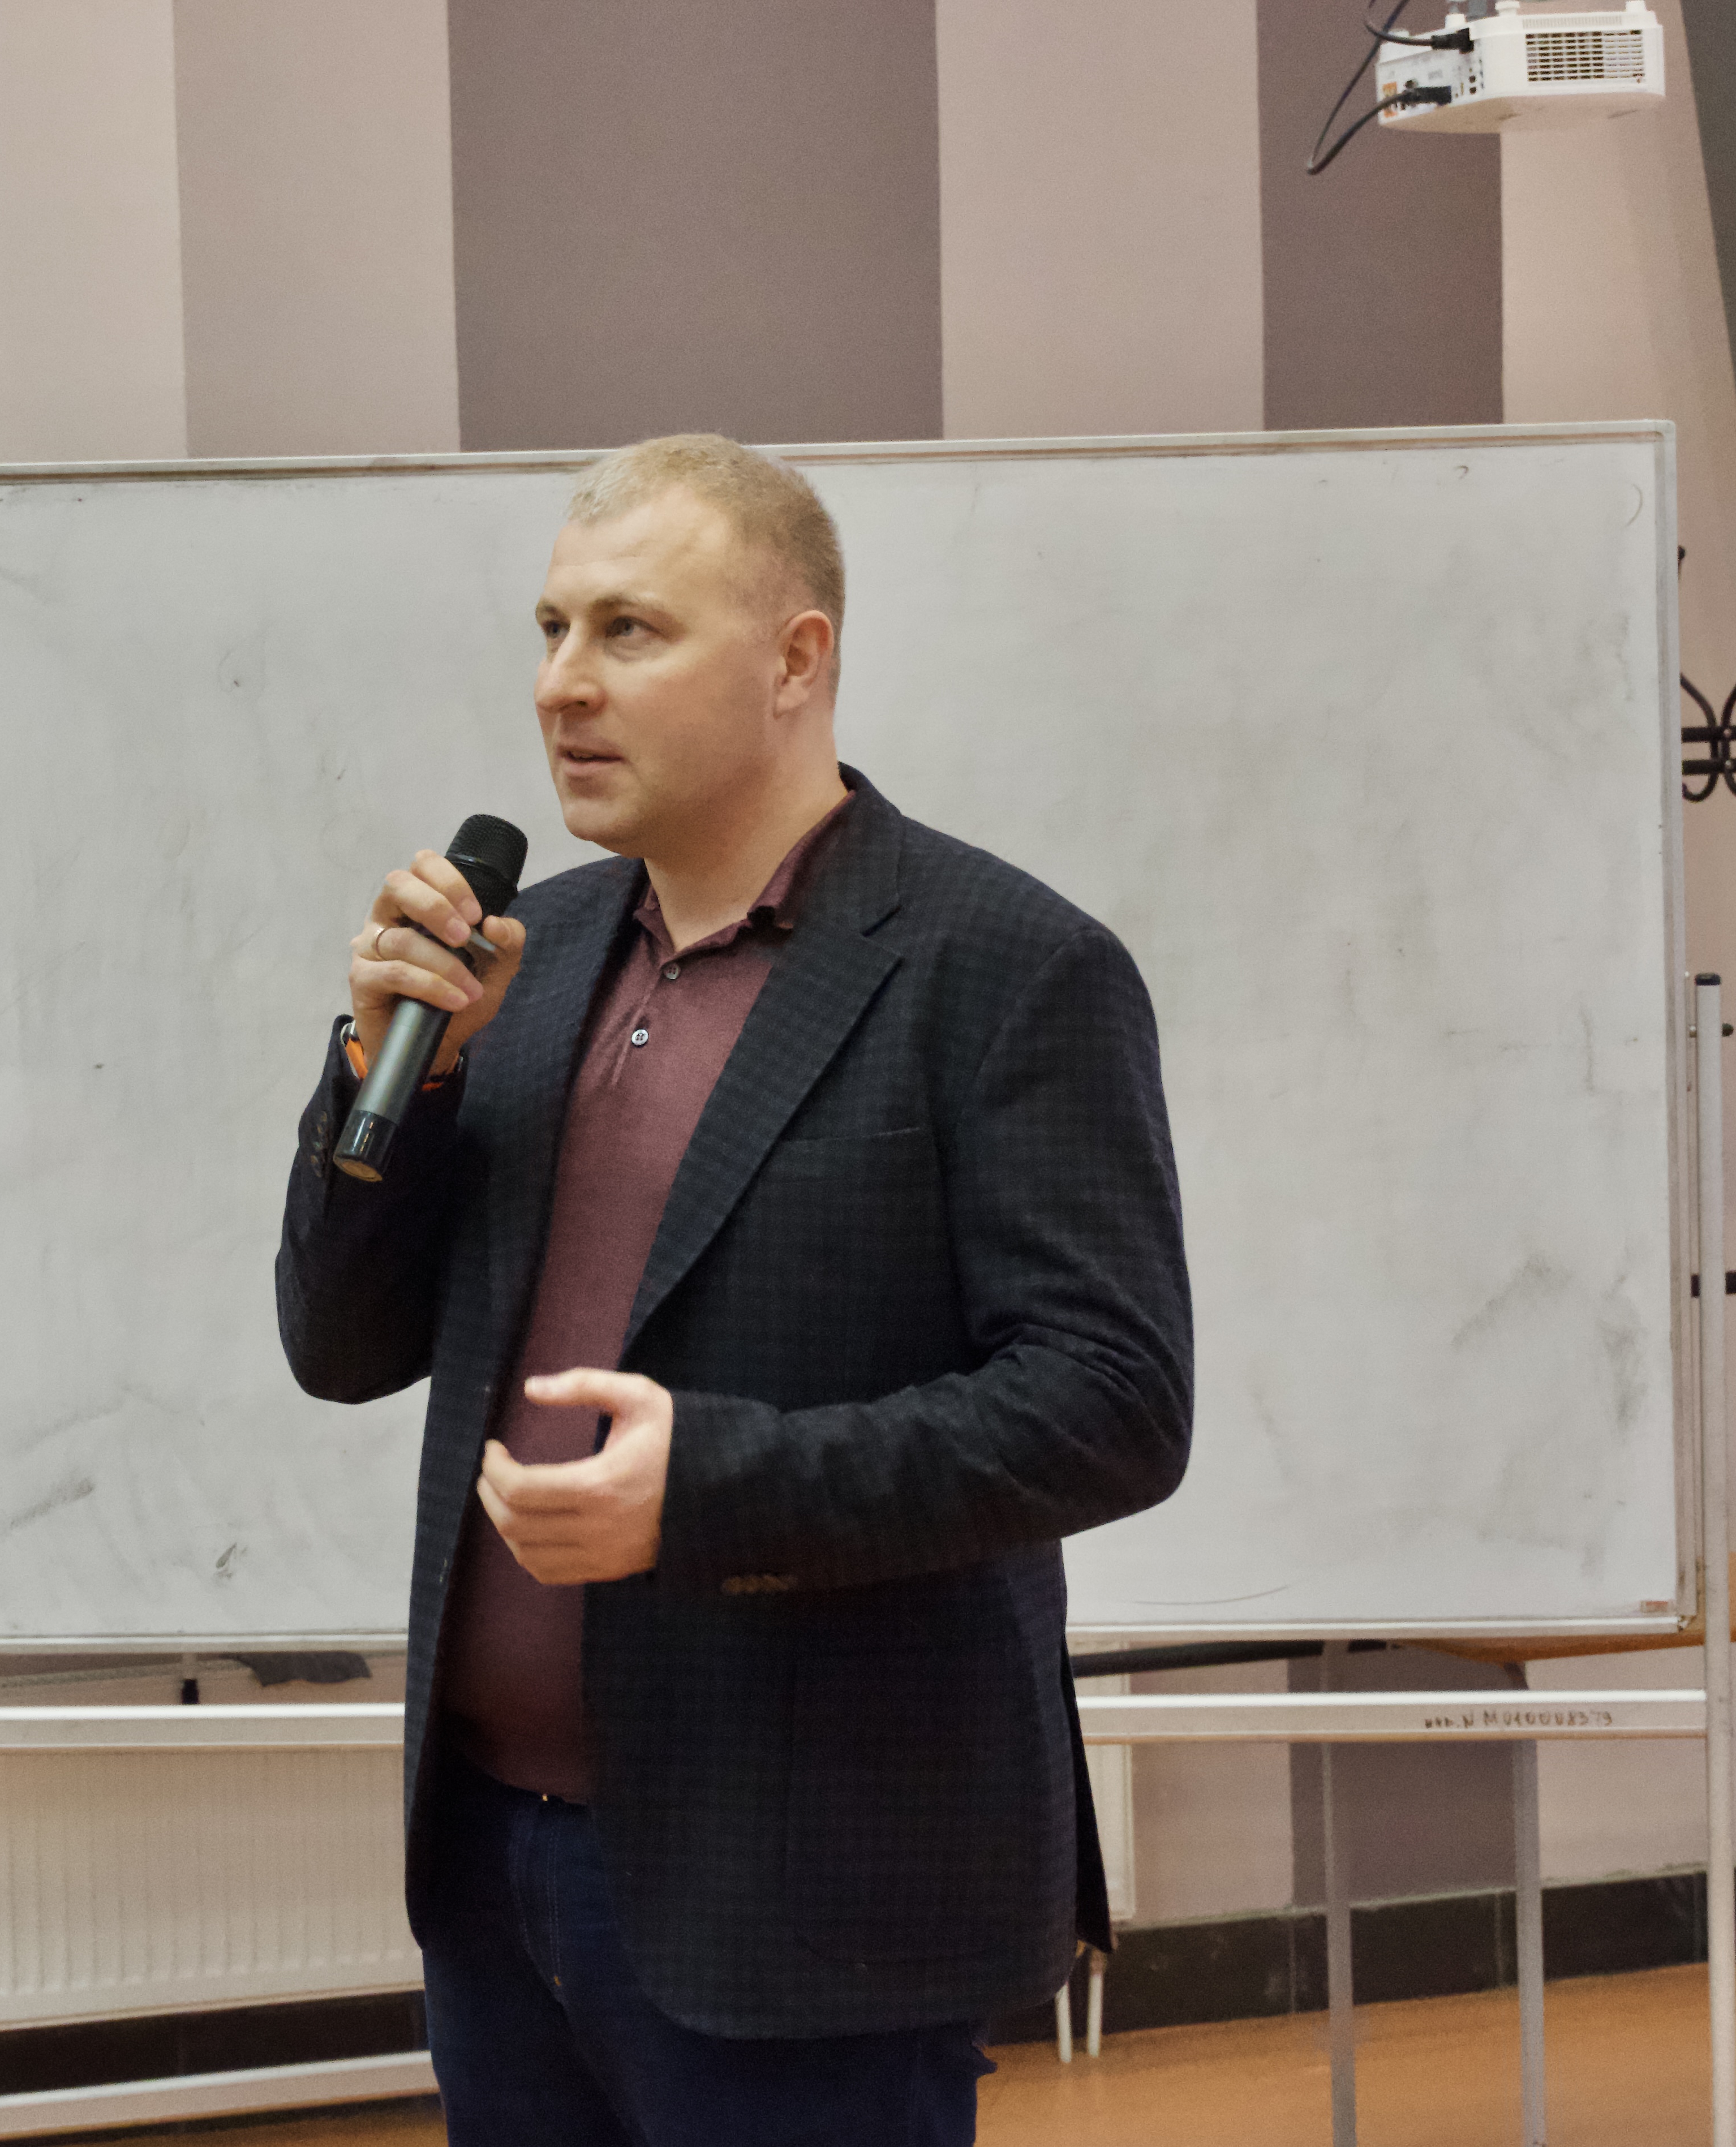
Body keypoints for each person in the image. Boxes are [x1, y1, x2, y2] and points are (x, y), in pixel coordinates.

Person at [276, 433, 1192, 2146]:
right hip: (491, 1870)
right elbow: (340, 1346)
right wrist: (397, 1076)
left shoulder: (1004, 968)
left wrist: (705, 1488)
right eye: (552, 628)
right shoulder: (525, 958)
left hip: (813, 1902)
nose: (563, 683)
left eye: (629, 630)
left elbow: (1110, 1403)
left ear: (795, 659)